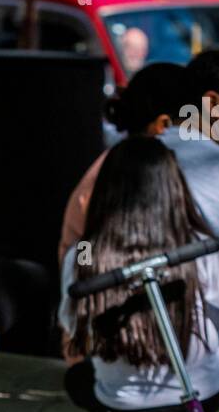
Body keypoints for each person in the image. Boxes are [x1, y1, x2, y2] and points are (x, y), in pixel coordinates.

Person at [59, 136, 219, 412]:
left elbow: (74, 339)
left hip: (120, 405)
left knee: (77, 377)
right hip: (204, 396)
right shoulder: (202, 245)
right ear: (173, 187)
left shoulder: (82, 254)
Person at [59, 59, 219, 264]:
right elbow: (84, 245)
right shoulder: (182, 156)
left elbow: (81, 247)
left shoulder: (112, 162)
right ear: (163, 125)